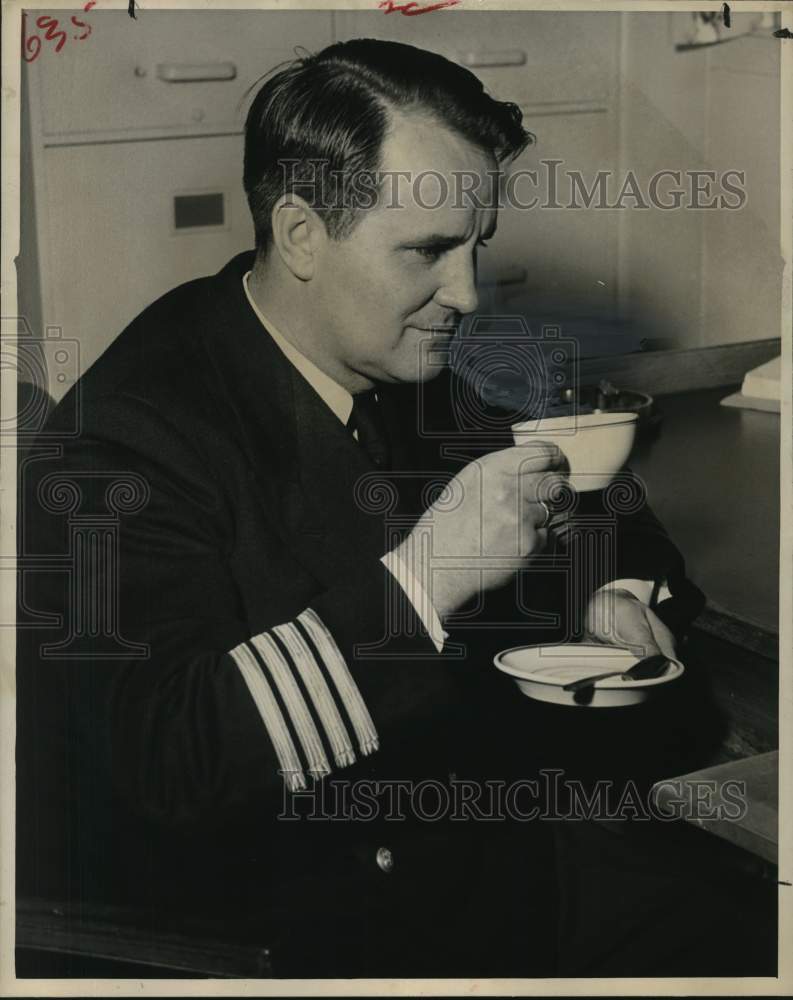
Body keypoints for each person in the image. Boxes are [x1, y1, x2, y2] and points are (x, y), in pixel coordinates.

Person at [18, 39, 735, 979]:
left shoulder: (399, 353)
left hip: (472, 833)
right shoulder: (127, 436)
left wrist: (607, 592)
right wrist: (429, 577)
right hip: (286, 922)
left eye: (476, 247)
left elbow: (590, 497)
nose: (466, 294)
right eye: (428, 252)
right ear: (302, 232)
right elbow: (170, 762)